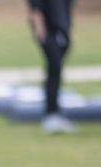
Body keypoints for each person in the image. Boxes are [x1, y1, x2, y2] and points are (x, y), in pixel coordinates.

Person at [27, 0, 76, 135]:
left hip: (63, 31)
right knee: (54, 70)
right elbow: (36, 9)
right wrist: (40, 32)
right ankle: (51, 113)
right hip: (49, 32)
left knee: (56, 71)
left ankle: (55, 112)